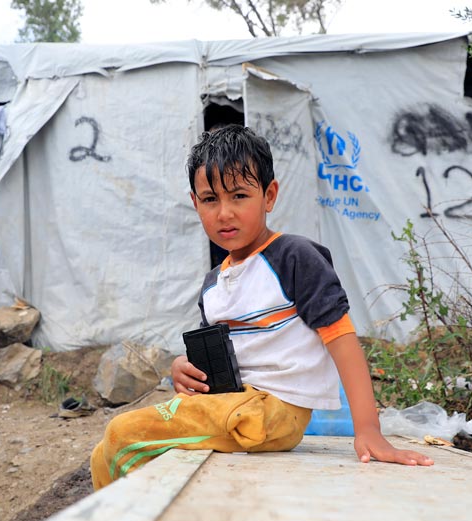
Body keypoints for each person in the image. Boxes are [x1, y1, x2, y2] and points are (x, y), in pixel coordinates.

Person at [90, 125, 433, 490]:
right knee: (104, 452)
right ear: (195, 204)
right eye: (210, 199)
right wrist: (184, 372)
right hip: (235, 404)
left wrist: (368, 430)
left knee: (122, 434)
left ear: (269, 196)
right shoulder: (213, 285)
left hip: (272, 412)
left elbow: (342, 339)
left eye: (239, 195)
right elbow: (223, 367)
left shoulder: (293, 257)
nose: (224, 213)